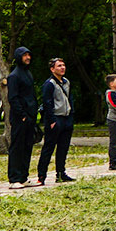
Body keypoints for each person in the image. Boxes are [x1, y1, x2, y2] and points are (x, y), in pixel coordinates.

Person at [37, 57, 78, 185]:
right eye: (59, 66)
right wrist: (51, 120)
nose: (62, 68)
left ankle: (61, 173)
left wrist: (71, 115)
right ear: (52, 69)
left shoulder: (66, 82)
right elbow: (47, 102)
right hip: (56, 118)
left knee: (63, 148)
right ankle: (41, 176)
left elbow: (70, 98)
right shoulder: (49, 84)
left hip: (66, 118)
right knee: (49, 147)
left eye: (63, 65)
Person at [5, 46, 38, 189]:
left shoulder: (28, 74)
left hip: (30, 115)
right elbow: (13, 98)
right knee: (17, 147)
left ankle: (23, 176)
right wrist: (22, 115)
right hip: (20, 117)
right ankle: (14, 178)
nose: (28, 58)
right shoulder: (14, 76)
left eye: (28, 55)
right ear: (19, 57)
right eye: (24, 55)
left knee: (27, 147)